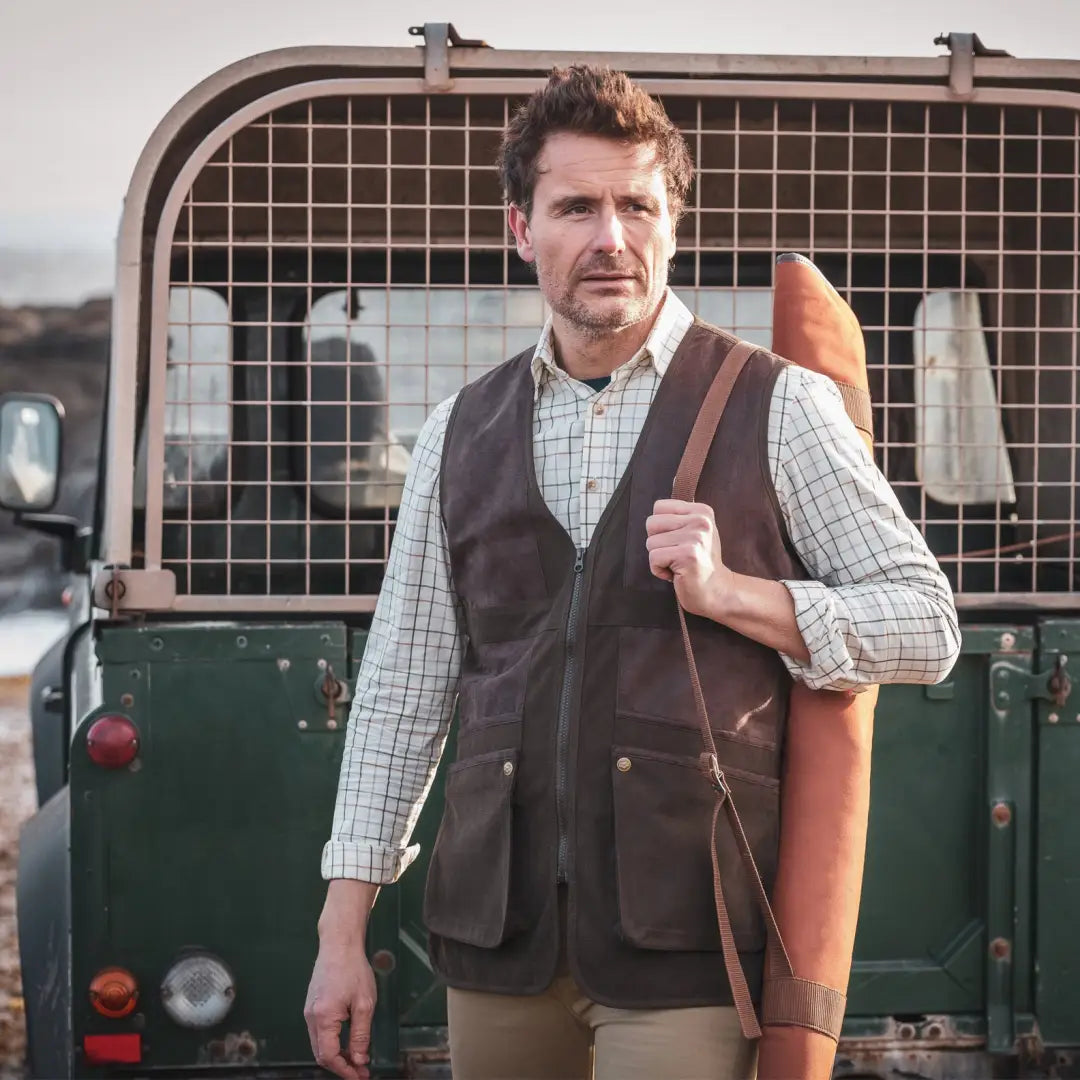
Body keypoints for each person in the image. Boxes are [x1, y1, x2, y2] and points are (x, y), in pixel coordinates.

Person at [304, 65, 961, 1080]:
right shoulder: (456, 432)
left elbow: (926, 625)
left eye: (636, 206)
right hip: (498, 944)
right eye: (576, 207)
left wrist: (735, 594)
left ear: (672, 222)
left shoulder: (778, 405)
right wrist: (341, 935)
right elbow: (402, 689)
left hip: (687, 944)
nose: (611, 237)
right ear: (522, 230)